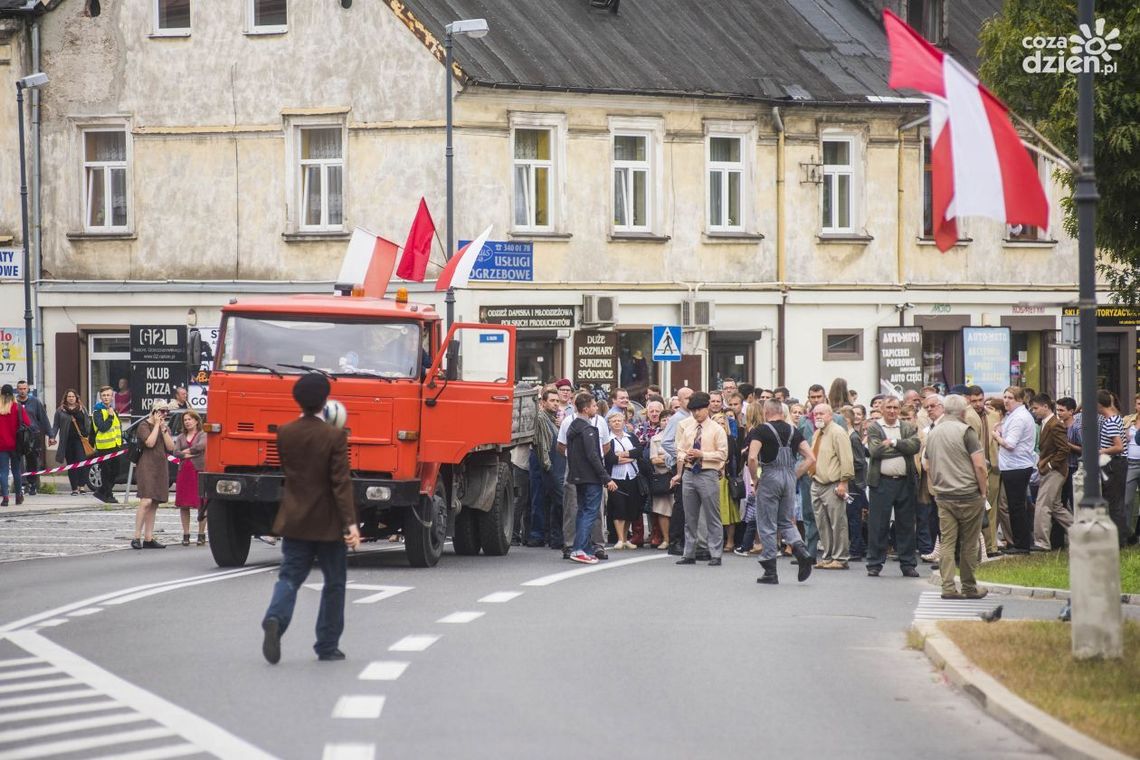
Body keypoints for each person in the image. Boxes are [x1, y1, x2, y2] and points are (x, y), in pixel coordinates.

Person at [261, 373, 361, 664]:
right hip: (328, 523)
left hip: (294, 518)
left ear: (297, 400)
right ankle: (327, 645)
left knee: (289, 576)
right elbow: (340, 483)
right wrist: (351, 524)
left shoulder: (285, 433)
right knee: (334, 583)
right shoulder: (334, 436)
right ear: (325, 400)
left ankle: (275, 617)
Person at [923, 395, 988, 600]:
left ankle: (948, 586)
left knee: (947, 542)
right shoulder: (966, 431)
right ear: (962, 412)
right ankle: (969, 586)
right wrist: (983, 491)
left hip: (944, 495)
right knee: (969, 543)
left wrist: (937, 485)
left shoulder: (933, 432)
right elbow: (979, 465)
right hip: (968, 494)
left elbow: (926, 464)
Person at [747, 399, 816, 584]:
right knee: (786, 521)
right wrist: (795, 475)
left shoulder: (761, 430)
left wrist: (755, 479)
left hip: (770, 476)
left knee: (767, 524)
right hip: (789, 477)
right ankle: (801, 550)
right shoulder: (794, 430)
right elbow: (811, 457)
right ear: (782, 412)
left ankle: (770, 571)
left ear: (766, 412)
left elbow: (752, 458)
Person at [865, 396, 921, 578]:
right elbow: (875, 451)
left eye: (895, 408)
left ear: (899, 409)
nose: (892, 411)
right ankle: (874, 564)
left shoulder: (907, 427)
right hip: (881, 482)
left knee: (906, 524)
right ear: (882, 409)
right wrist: (902, 449)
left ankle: (908, 564)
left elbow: (915, 446)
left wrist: (894, 442)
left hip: (905, 482)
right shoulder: (874, 427)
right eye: (888, 407)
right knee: (878, 525)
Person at [672, 392, 728, 566]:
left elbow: (723, 454)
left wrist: (702, 454)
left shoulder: (717, 429)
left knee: (712, 515)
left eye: (699, 410)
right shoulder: (689, 428)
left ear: (707, 408)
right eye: (693, 410)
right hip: (689, 472)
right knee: (690, 516)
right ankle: (689, 553)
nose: (696, 414)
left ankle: (715, 553)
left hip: (708, 472)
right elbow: (679, 449)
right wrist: (685, 456)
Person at [565, 392, 617, 564]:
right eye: (594, 406)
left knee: (582, 511)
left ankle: (584, 548)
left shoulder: (573, 427)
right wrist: (606, 477)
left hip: (578, 476)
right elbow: (593, 455)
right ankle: (579, 549)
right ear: (586, 409)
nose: (596, 408)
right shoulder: (587, 429)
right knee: (590, 512)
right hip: (591, 477)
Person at [808, 403, 854, 569]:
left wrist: (844, 482)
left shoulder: (838, 432)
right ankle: (828, 556)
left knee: (838, 523)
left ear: (831, 415)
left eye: (822, 413)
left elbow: (846, 459)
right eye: (816, 414)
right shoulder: (817, 433)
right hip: (816, 483)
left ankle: (840, 558)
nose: (818, 416)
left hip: (833, 484)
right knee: (822, 523)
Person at [992, 386, 1037, 553]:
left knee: (1016, 507)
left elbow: (1010, 444)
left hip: (1016, 466)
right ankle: (1020, 543)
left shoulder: (1019, 417)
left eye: (1010, 398)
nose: (1006, 401)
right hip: (1013, 466)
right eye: (1004, 397)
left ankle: (1022, 545)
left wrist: (996, 436)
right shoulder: (1014, 415)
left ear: (1019, 400)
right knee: (1014, 506)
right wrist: (1001, 428)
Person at [1028, 394, 1070, 551]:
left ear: (1046, 407)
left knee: (1042, 506)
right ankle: (1083, 535)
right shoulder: (1046, 423)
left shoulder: (1054, 424)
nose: (1034, 411)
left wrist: (1051, 465)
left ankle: (1042, 542)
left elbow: (1064, 449)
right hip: (1051, 469)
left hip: (1055, 471)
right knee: (1056, 507)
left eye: (1035, 408)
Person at [132, 401, 175, 549]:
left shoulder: (165, 427)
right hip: (146, 465)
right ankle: (136, 536)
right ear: (154, 411)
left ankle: (148, 537)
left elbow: (171, 447)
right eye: (162, 411)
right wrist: (156, 425)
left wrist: (163, 428)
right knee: (146, 500)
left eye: (166, 411)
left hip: (160, 465)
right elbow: (149, 443)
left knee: (155, 502)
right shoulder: (144, 425)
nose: (164, 414)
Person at [605, 409, 642, 549]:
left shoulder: (631, 437)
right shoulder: (608, 440)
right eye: (613, 421)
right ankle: (620, 538)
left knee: (630, 508)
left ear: (624, 422)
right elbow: (610, 459)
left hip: (632, 476)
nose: (616, 423)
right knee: (619, 507)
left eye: (619, 420)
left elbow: (638, 452)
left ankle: (626, 538)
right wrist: (630, 457)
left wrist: (624, 454)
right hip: (616, 477)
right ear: (609, 423)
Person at [1096, 390, 1127, 546]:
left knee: (1113, 503)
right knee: (1116, 502)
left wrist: (1101, 451)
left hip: (1113, 464)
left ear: (1099, 405)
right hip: (1118, 464)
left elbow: (1119, 446)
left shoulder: (1110, 422)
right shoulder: (1116, 417)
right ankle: (1121, 536)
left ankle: (1118, 540)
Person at [174, 409, 207, 546]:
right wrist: (187, 454)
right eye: (185, 420)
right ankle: (186, 534)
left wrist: (186, 452)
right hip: (184, 472)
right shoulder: (181, 437)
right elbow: (176, 452)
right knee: (184, 504)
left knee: (202, 503)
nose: (187, 422)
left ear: (196, 421)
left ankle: (201, 533)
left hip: (198, 471)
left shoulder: (202, 434)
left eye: (189, 419)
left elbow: (200, 447)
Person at [50, 389, 92, 495]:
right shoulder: (60, 410)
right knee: (71, 465)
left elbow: (88, 423)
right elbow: (55, 425)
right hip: (67, 441)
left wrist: (88, 435)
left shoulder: (82, 409)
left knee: (82, 462)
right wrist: (52, 437)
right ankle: (74, 488)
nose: (71, 398)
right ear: (66, 398)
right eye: (69, 396)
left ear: (76, 398)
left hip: (80, 440)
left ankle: (81, 486)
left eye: (73, 396)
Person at [15, 381, 50, 496]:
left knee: (32, 460)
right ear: (17, 390)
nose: (22, 391)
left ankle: (33, 484)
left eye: (24, 388)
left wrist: (50, 435)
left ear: (28, 389)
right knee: (18, 460)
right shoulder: (14, 402)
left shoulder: (35, 402)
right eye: (20, 389)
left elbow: (43, 418)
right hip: (18, 435)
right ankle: (21, 484)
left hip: (32, 435)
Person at [91, 385, 123, 504]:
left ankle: (101, 491)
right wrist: (109, 416)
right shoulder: (97, 411)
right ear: (100, 397)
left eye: (108, 395)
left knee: (116, 471)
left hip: (115, 446)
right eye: (103, 395)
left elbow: (117, 427)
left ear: (112, 397)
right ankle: (108, 495)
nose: (106, 397)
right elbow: (103, 427)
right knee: (106, 472)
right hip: (104, 447)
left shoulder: (112, 410)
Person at [0, 384, 31, 506]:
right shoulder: (17, 407)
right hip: (16, 444)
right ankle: (18, 496)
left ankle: (5, 497)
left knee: (3, 471)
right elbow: (27, 423)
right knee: (16, 470)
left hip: (1, 445)